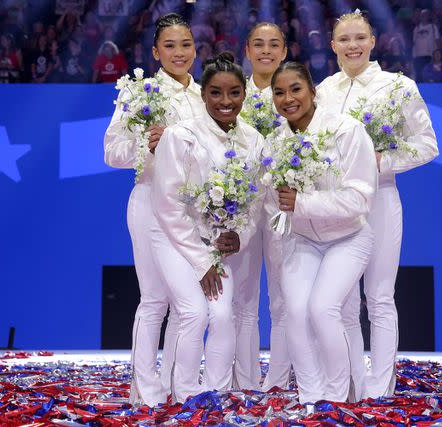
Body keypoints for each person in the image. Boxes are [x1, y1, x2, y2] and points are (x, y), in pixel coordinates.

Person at [317, 11, 438, 399]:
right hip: (338, 203)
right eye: (344, 39)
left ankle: (380, 388)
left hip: (381, 199)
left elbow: (426, 144)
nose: (352, 46)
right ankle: (352, 384)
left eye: (359, 38)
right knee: (345, 300)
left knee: (381, 297)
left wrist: (382, 161)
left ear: (373, 41)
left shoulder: (398, 87)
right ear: (332, 45)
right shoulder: (323, 91)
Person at [104, 13, 205, 407]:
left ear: (195, 48)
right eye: (170, 46)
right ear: (155, 52)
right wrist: (145, 144)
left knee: (188, 304)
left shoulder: (205, 96)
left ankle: (176, 387)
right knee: (154, 301)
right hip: (148, 201)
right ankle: (145, 392)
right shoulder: (139, 93)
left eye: (185, 45)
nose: (179, 53)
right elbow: (112, 152)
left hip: (195, 209)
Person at [151, 52, 263, 402]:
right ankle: (185, 396)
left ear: (245, 93)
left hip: (218, 248)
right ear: (203, 95)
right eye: (216, 93)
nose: (225, 101)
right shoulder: (180, 136)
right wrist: (202, 262)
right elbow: (168, 206)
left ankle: (214, 393)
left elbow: (257, 202)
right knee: (195, 313)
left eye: (234, 93)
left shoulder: (254, 140)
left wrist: (240, 235)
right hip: (175, 239)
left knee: (222, 315)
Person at [266, 62, 377, 402]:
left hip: (349, 237)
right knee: (295, 311)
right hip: (302, 239)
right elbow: (274, 202)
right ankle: (311, 398)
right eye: (279, 92)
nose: (288, 98)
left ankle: (337, 397)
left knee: (323, 308)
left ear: (313, 91)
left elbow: (360, 199)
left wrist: (304, 202)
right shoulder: (276, 141)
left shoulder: (346, 130)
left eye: (296, 89)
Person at [240, 21, 288, 392]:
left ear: (284, 52)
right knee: (242, 297)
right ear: (247, 50)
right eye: (259, 44)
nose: (266, 51)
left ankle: (279, 378)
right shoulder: (233, 94)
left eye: (274, 45)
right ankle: (244, 379)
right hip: (238, 208)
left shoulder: (296, 93)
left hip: (282, 210)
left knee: (283, 297)